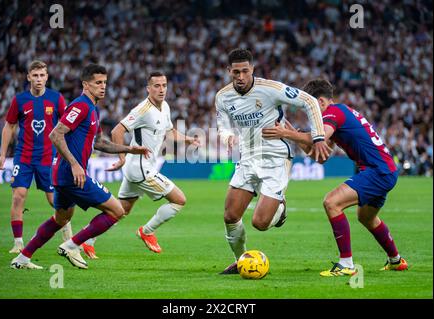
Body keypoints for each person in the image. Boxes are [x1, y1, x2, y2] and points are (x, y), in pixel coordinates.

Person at [262, 78, 408, 276]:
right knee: (366, 217)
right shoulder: (339, 113)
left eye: (310, 107)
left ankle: (346, 264)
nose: (309, 112)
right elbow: (320, 156)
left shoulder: (333, 113)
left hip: (377, 171)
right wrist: (292, 133)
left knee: (332, 202)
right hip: (382, 169)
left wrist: (287, 133)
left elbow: (315, 137)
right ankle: (396, 261)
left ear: (320, 102)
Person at [10, 64, 150, 269]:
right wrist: (75, 165)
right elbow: (55, 134)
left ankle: (22, 258)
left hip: (62, 174)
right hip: (70, 173)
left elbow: (100, 142)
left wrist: (130, 149)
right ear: (86, 85)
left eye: (104, 83)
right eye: (98, 83)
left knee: (60, 218)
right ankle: (72, 244)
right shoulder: (81, 106)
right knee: (117, 211)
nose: (103, 87)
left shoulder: (92, 109)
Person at [216, 49, 330, 274]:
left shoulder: (270, 89)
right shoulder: (222, 96)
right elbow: (222, 123)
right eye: (236, 72)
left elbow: (309, 101)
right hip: (247, 157)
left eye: (245, 71)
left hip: (275, 157)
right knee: (230, 216)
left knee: (260, 223)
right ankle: (242, 261)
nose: (240, 76)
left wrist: (317, 137)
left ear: (252, 70)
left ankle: (281, 208)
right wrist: (226, 135)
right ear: (229, 71)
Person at [108, 71, 200, 253]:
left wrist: (188, 139)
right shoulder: (142, 110)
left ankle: (87, 241)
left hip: (137, 168)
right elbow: (116, 132)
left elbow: (170, 132)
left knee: (119, 211)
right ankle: (147, 231)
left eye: (164, 85)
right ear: (148, 88)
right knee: (179, 200)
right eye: (156, 86)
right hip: (141, 169)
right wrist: (121, 157)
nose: (161, 89)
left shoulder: (165, 106)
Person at [0, 60, 73, 254]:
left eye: (42, 75)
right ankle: (18, 243)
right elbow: (9, 126)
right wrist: (2, 154)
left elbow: (66, 127)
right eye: (35, 75)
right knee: (18, 197)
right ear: (28, 77)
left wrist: (69, 154)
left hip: (48, 158)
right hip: (23, 157)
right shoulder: (20, 100)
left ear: (47, 77)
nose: (39, 79)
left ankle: (69, 241)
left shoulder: (56, 99)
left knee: (55, 201)